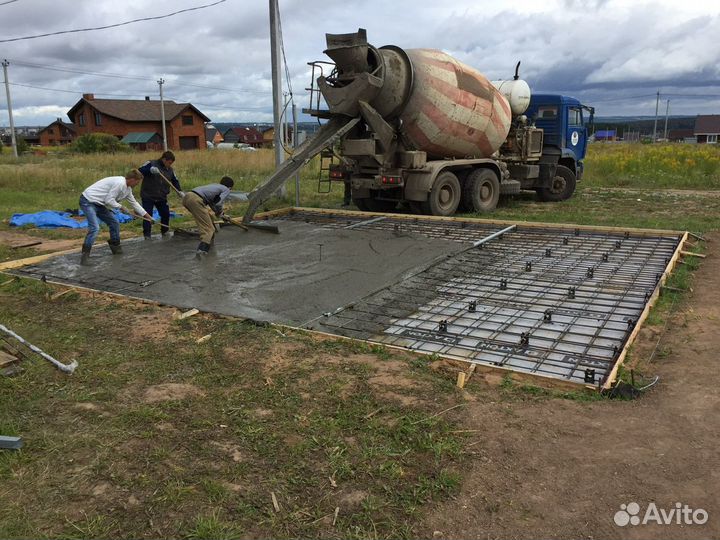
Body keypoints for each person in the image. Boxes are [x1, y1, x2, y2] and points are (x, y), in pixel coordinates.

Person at [79, 169, 153, 265]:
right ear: (131, 179)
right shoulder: (120, 184)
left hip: (99, 204)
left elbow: (134, 203)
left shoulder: (128, 189)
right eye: (137, 181)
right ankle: (85, 258)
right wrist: (121, 207)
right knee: (95, 228)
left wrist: (148, 217)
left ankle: (115, 247)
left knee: (114, 223)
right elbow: (109, 200)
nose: (137, 184)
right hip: (88, 200)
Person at [182, 176, 234, 258]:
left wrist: (221, 214)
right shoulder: (226, 189)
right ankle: (202, 251)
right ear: (230, 187)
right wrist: (220, 212)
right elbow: (218, 203)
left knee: (210, 219)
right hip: (196, 200)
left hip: (187, 197)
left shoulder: (215, 186)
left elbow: (212, 203)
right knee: (209, 229)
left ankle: (210, 244)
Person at [138, 150, 183, 239]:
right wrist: (149, 170)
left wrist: (179, 191)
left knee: (165, 214)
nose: (169, 165)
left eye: (171, 163)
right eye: (169, 163)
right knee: (147, 215)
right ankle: (147, 235)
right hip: (148, 195)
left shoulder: (170, 170)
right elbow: (140, 170)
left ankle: (165, 231)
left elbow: (175, 181)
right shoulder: (151, 163)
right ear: (164, 159)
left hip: (161, 196)